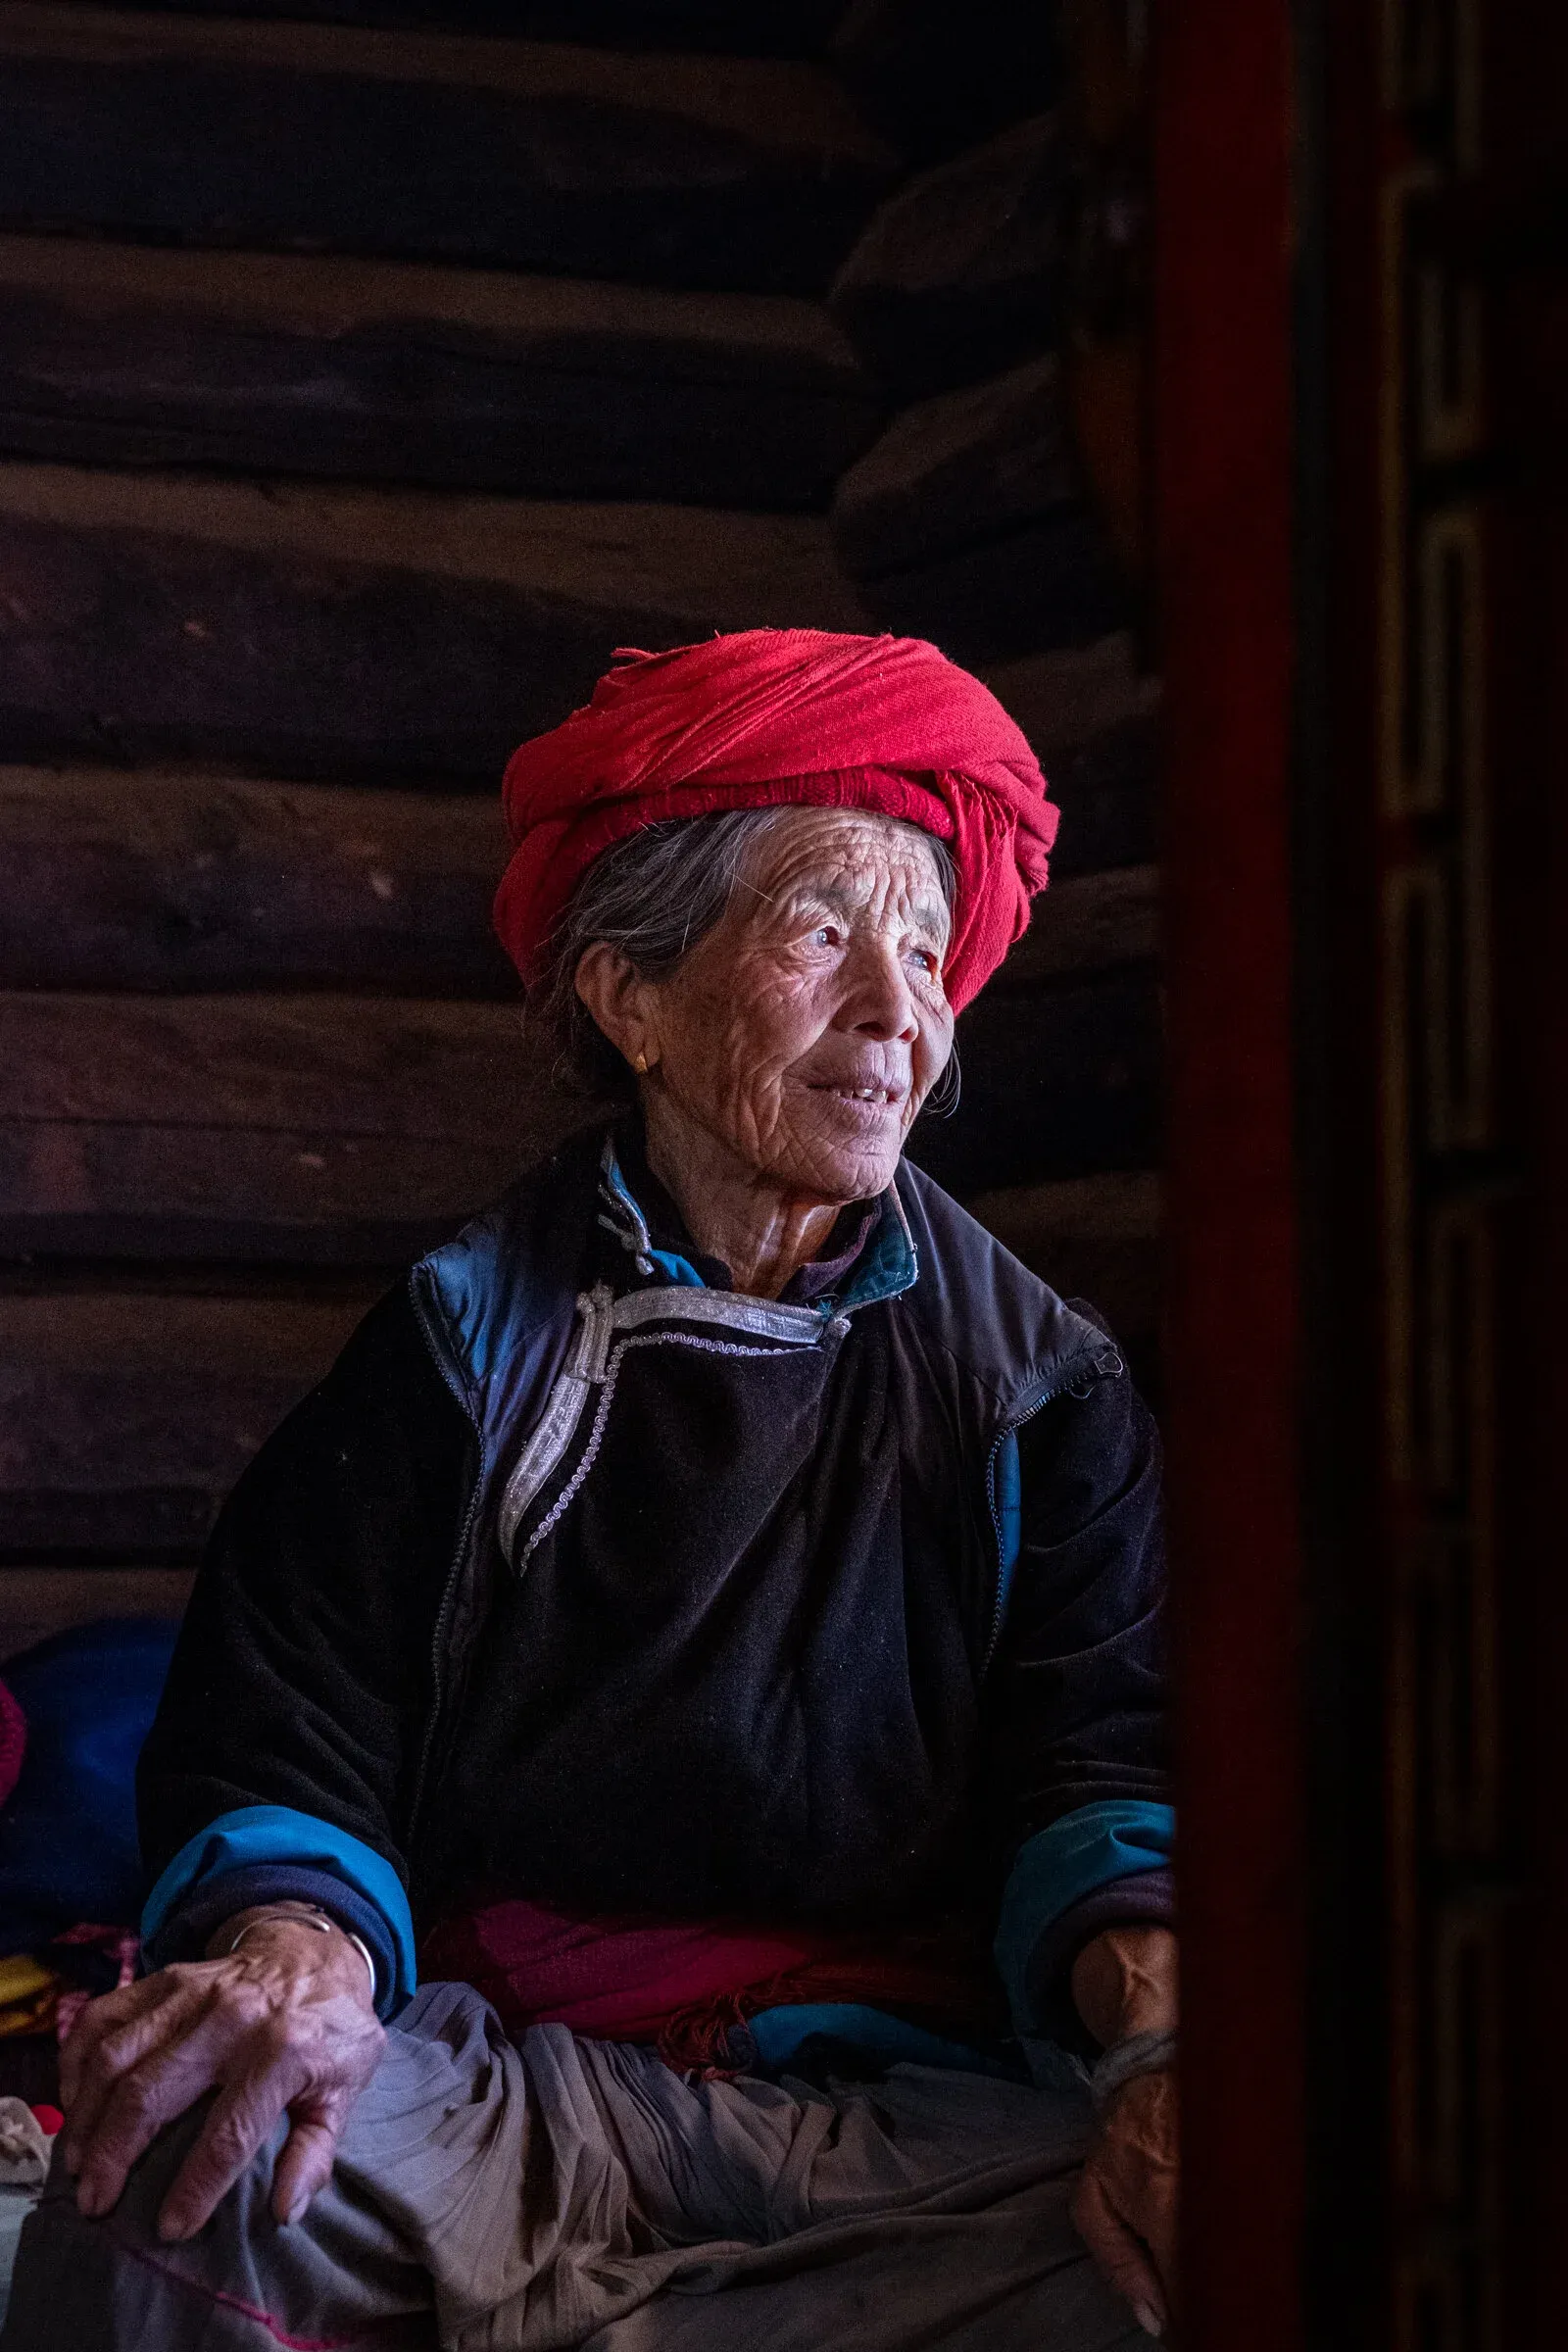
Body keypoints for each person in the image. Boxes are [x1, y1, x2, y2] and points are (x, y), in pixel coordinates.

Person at [3, 629, 1177, 2352]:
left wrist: (1163, 2058)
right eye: (826, 932)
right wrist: (300, 1966)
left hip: (916, 2121)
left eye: (930, 953)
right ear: (634, 997)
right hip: (510, 2090)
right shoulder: (466, 1343)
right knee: (174, 2181)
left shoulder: (1039, 1388)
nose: (900, 1013)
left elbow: (1105, 1770)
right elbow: (297, 1725)